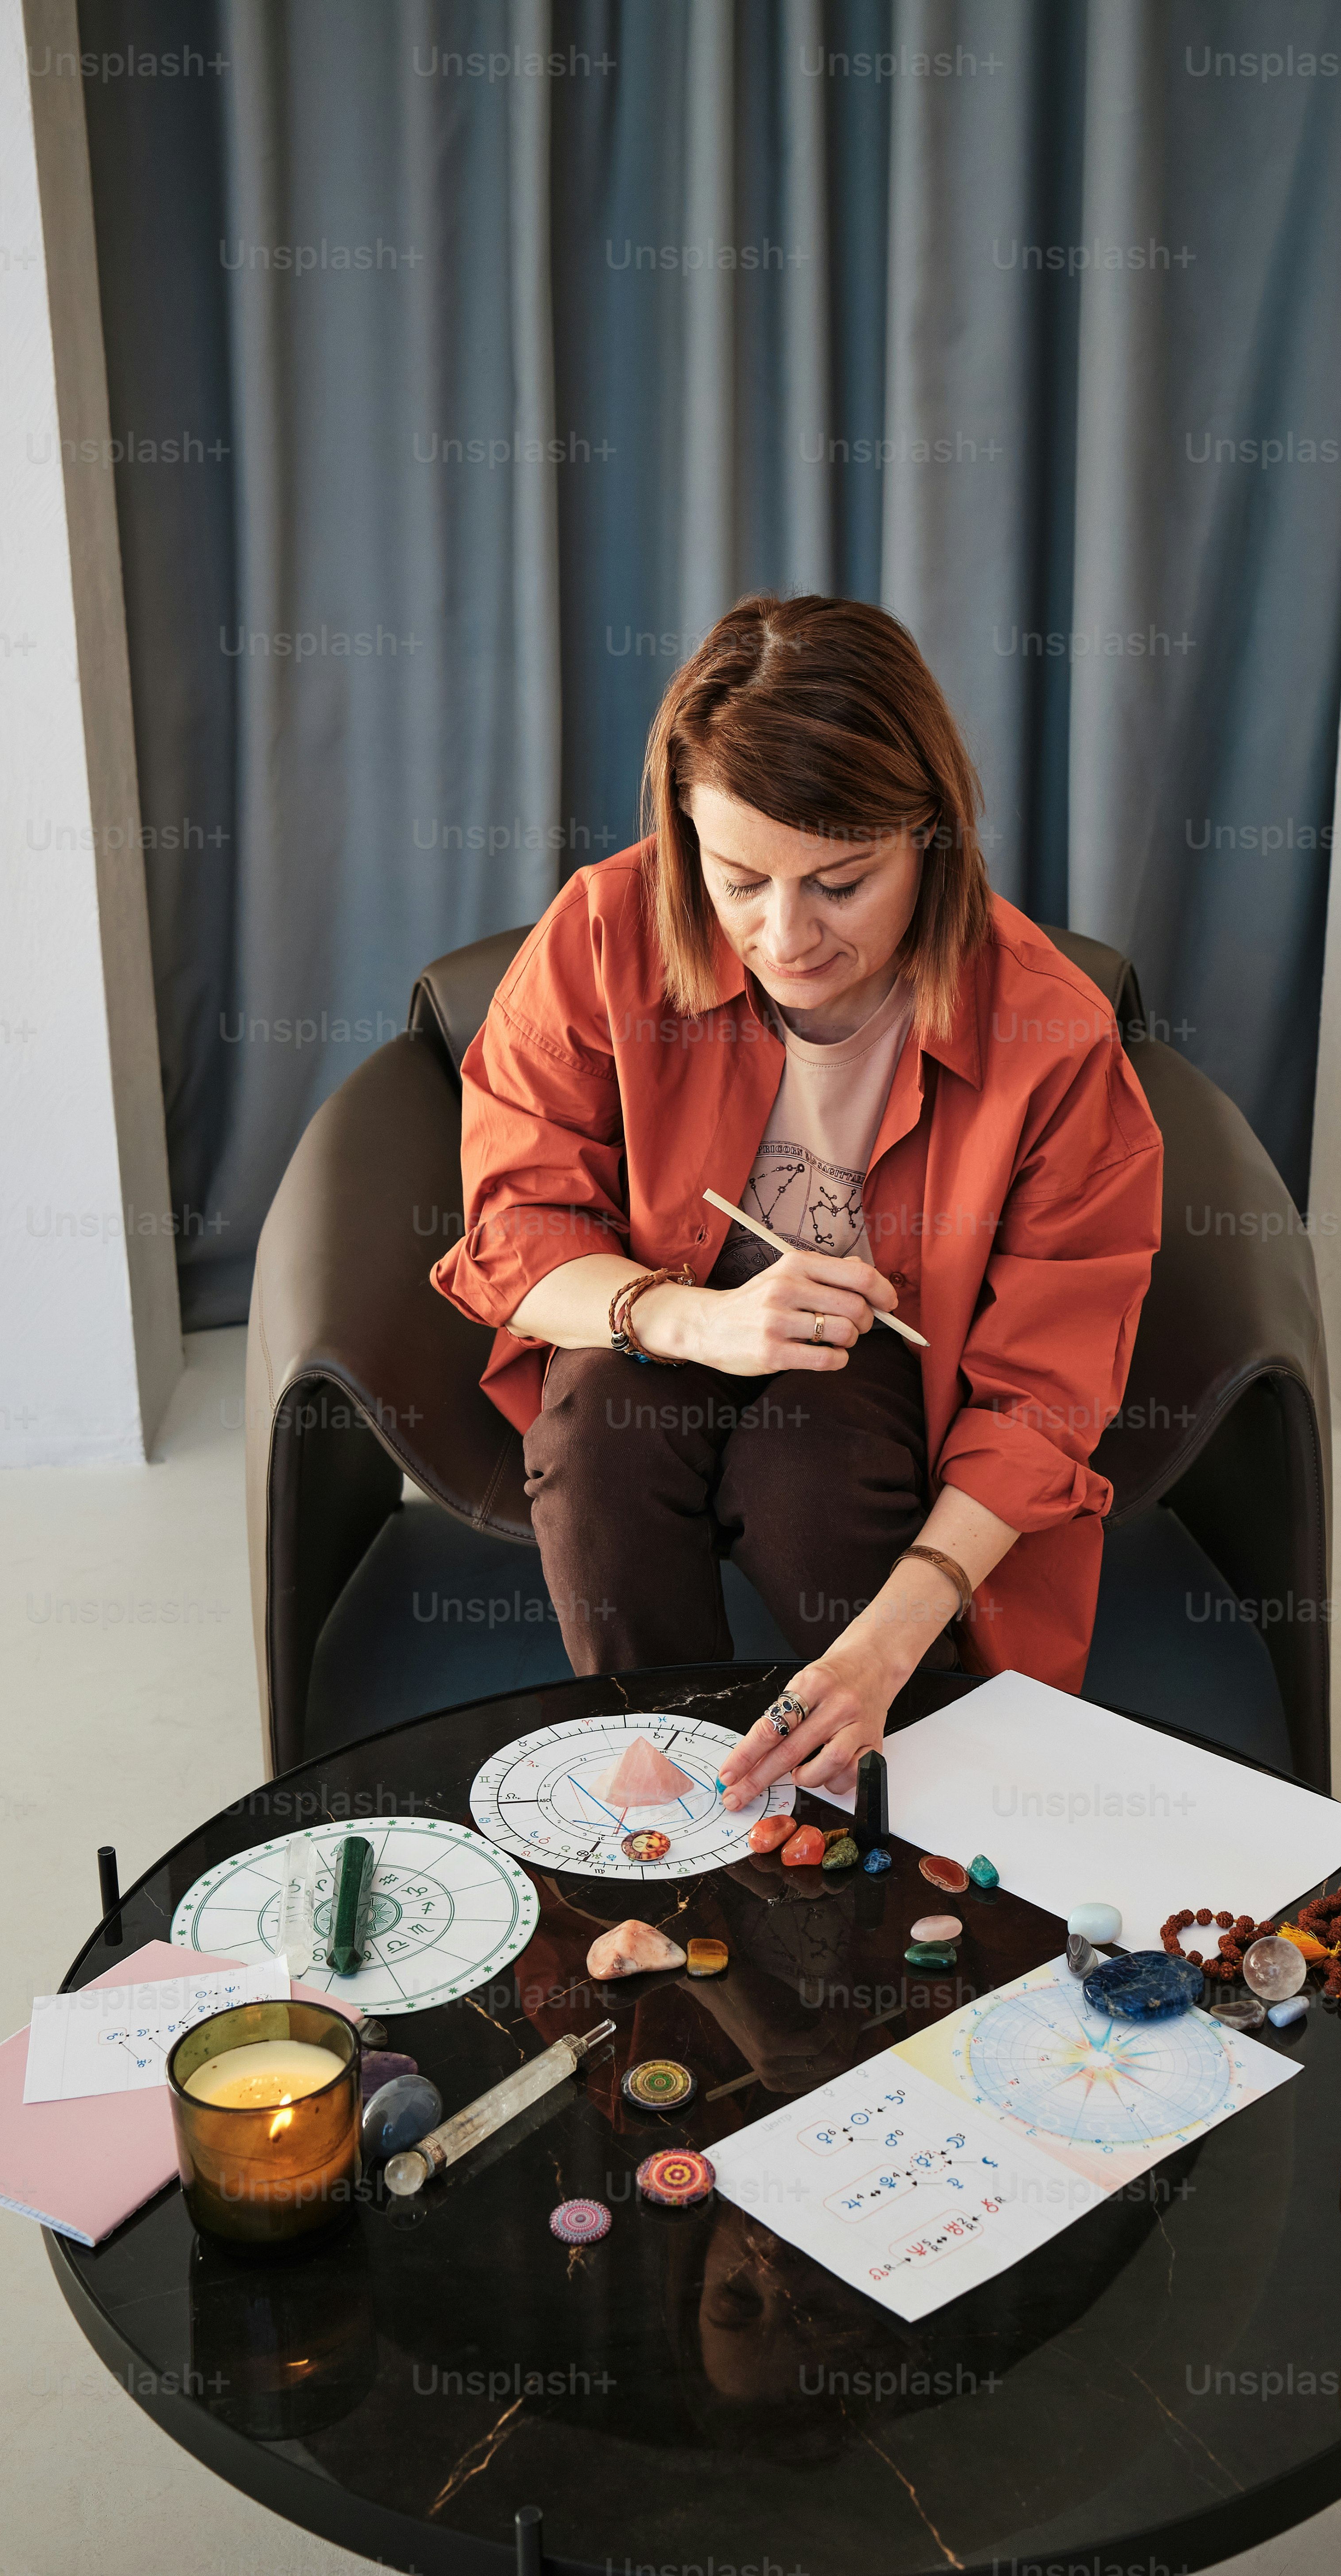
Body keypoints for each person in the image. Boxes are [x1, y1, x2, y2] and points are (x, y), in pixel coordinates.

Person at [430, 593, 1162, 1810]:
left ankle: (869, 1768)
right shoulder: (603, 930)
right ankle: (665, 1793)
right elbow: (515, 1225)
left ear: (931, 839)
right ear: (683, 840)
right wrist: (694, 1319)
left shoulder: (1054, 1036)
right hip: (649, 1310)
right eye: (738, 881)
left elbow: (1041, 1397)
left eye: (840, 882)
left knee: (809, 1491)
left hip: (892, 1361)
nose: (786, 937)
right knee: (599, 1436)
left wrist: (885, 1642)